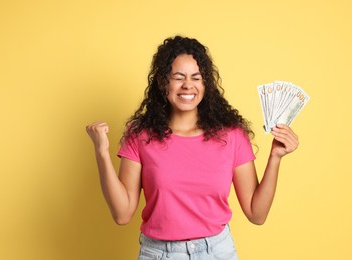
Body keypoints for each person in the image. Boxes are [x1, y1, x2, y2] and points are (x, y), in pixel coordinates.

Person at [86, 36, 299, 260]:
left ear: (206, 83)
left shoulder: (232, 136)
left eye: (196, 78)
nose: (188, 85)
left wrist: (275, 157)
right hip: (159, 254)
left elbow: (257, 214)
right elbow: (122, 214)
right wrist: (101, 152)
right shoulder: (141, 136)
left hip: (218, 252)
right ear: (162, 81)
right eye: (178, 77)